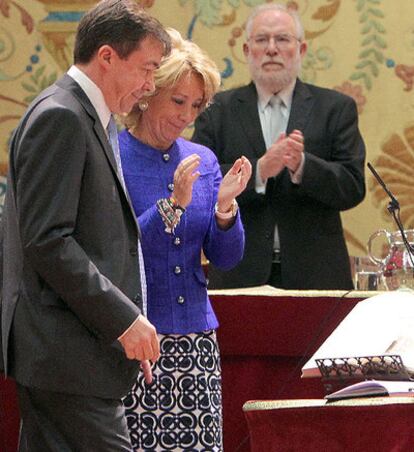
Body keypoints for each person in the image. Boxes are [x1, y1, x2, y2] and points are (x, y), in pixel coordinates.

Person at [0, 1, 171, 450]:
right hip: (65, 356)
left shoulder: (82, 115)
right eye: (147, 69)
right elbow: (48, 241)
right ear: (108, 56)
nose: (150, 86)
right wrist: (123, 319)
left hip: (66, 355)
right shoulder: (62, 116)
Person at [119, 28, 251, 451]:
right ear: (146, 94)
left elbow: (226, 258)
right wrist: (174, 203)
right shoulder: (114, 154)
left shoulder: (205, 160)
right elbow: (123, 246)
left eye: (196, 105)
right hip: (135, 338)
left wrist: (225, 208)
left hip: (196, 341)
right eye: (178, 101)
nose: (186, 116)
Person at [192, 3, 366, 290]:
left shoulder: (336, 108)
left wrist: (302, 166)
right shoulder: (217, 110)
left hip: (316, 275)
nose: (272, 49)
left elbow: (353, 187)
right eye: (261, 40)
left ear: (302, 50)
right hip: (239, 272)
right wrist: (259, 170)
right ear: (247, 51)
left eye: (283, 39)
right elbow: (200, 185)